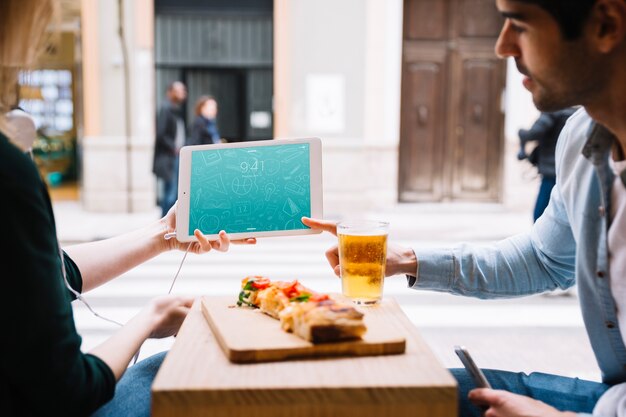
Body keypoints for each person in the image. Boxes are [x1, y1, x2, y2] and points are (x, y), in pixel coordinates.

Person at [303, 0, 626, 416]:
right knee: (396, 395)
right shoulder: (580, 140)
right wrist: (407, 260)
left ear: (605, 24)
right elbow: (544, 258)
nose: (501, 46)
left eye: (520, 24)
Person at [0, 1, 256, 416]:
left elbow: (53, 272)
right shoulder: (9, 172)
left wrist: (163, 236)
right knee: (200, 371)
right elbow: (67, 389)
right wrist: (151, 318)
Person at [517, 107, 576, 222]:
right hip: (567, 170)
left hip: (551, 172)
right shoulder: (575, 112)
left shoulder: (554, 110)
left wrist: (522, 134)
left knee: (539, 215)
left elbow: (535, 132)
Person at [153, 81, 187, 217]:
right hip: (170, 158)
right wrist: (174, 148)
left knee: (172, 192)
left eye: (183, 91)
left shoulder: (175, 110)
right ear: (170, 92)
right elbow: (161, 134)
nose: (183, 94)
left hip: (176, 156)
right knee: (170, 194)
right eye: (179, 90)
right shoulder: (166, 109)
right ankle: (163, 224)